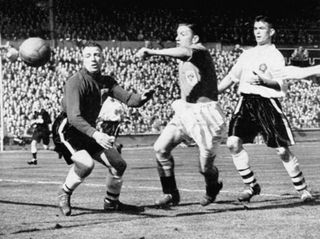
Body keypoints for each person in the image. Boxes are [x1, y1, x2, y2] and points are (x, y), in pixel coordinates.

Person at [218, 15, 313, 203]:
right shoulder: (246, 54)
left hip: (267, 103)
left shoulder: (275, 56)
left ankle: (302, 189)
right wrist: (211, 93)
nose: (258, 32)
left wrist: (264, 81)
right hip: (246, 102)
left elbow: (279, 86)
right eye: (255, 28)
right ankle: (252, 186)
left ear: (271, 32)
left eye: (262, 28)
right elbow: (230, 78)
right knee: (232, 143)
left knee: (282, 151)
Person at [52, 41, 154, 216]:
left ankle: (111, 202)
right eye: (88, 55)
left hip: (89, 130)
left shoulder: (106, 81)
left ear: (102, 58)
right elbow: (74, 117)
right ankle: (65, 192)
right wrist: (96, 134)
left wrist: (142, 98)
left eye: (97, 55)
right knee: (86, 165)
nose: (93, 59)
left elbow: (130, 99)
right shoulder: (75, 82)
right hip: (67, 130)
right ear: (82, 59)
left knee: (119, 164)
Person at [136, 21, 227, 207]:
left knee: (205, 168)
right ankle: (171, 194)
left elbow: (184, 52)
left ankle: (212, 186)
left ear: (195, 39)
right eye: (177, 34)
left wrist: (153, 51)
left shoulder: (200, 51)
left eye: (183, 34)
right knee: (160, 149)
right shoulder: (183, 57)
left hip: (206, 116)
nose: (177, 38)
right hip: (186, 110)